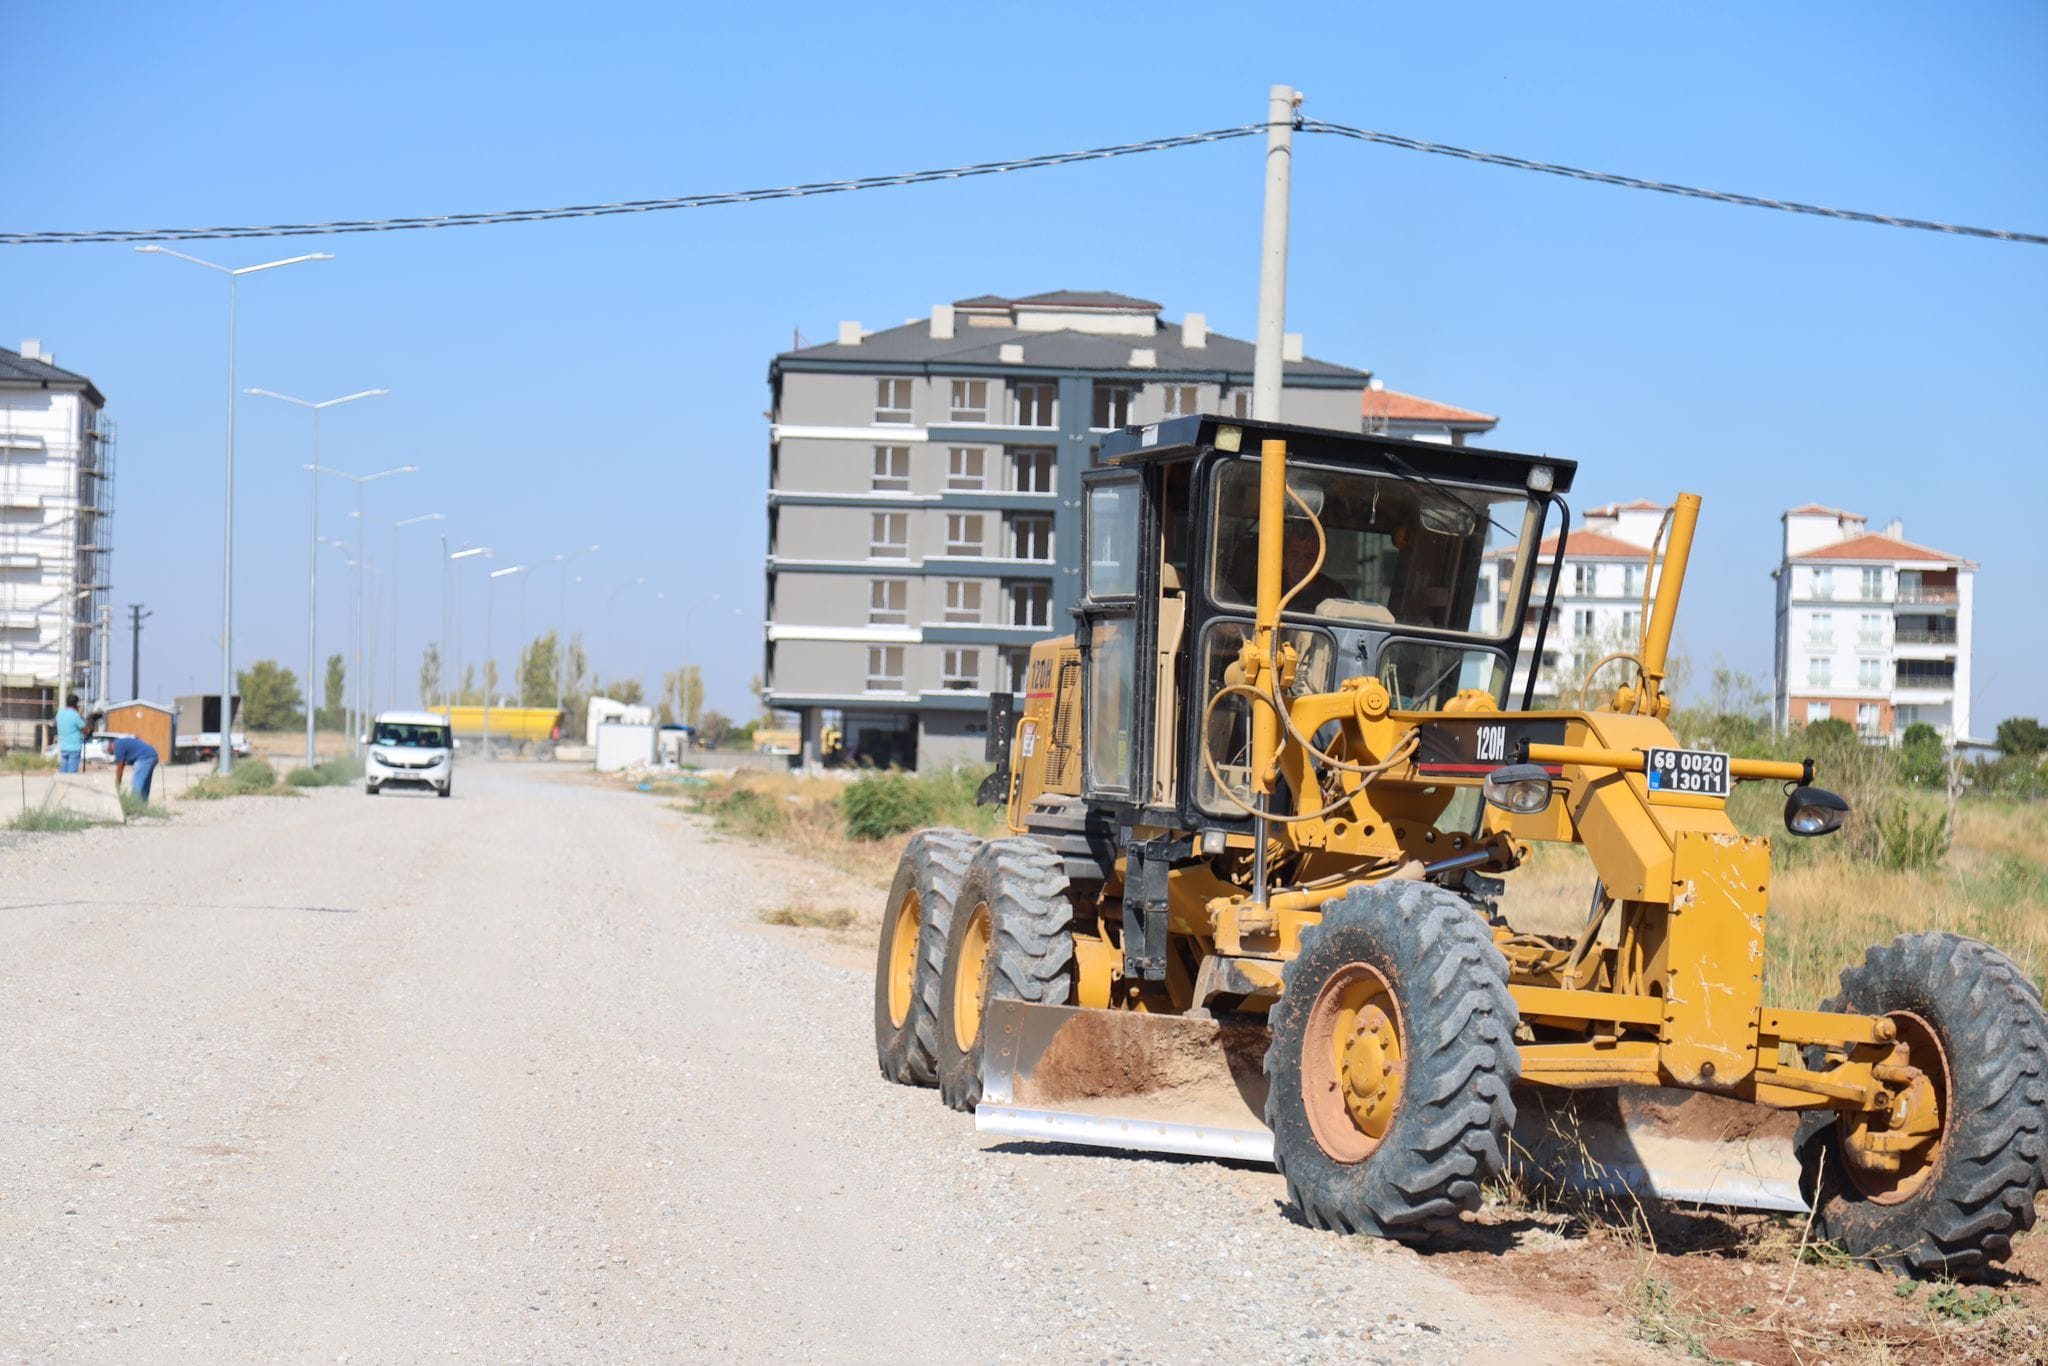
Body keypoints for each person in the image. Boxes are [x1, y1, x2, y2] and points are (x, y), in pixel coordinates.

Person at [108, 733, 159, 801]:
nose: (113, 754)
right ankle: (143, 806)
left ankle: (134, 805)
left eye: (111, 752)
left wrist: (118, 783)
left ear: (110, 747)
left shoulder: (117, 747)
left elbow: (120, 766)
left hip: (144, 758)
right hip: (153, 755)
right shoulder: (120, 742)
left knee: (137, 783)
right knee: (145, 784)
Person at [55, 694, 85, 773]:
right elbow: (85, 729)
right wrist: (80, 714)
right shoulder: (75, 715)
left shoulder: (59, 714)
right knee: (71, 775)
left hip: (63, 747)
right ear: (76, 704)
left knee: (63, 773)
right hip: (74, 748)